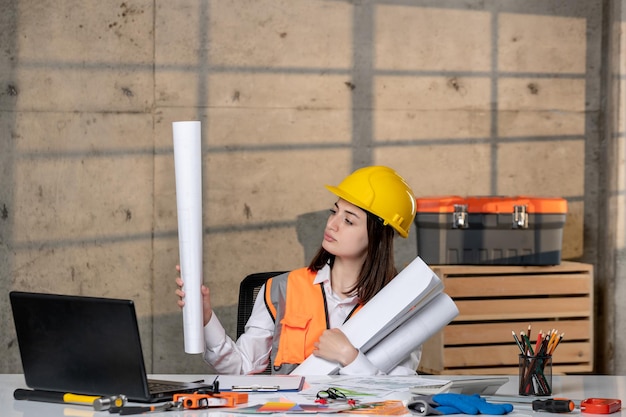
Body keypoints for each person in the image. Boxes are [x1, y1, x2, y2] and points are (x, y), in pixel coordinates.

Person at [175, 165, 421, 375]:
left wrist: (350, 358)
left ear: (378, 236)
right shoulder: (282, 288)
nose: (332, 224)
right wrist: (206, 318)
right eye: (334, 211)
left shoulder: (398, 304)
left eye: (348, 220)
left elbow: (400, 393)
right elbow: (242, 367)